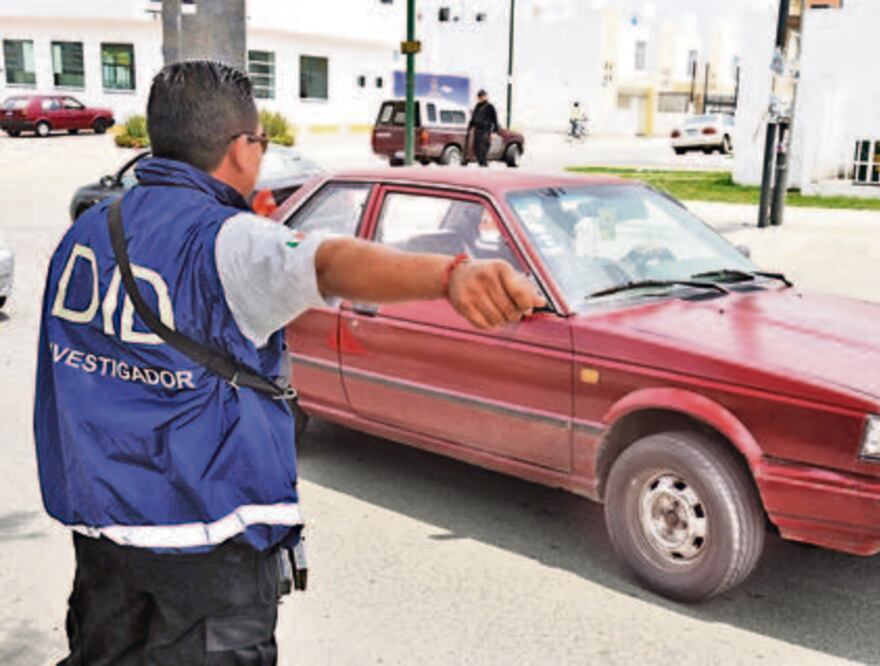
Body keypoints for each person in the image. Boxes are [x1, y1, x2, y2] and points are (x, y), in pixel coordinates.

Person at [34, 60, 543, 665]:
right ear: (242, 148)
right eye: (261, 141)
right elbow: (323, 262)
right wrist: (450, 275)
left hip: (103, 536)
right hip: (207, 543)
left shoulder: (87, 231)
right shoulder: (225, 239)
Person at [468, 89, 499, 167]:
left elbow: (495, 120)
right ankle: (481, 164)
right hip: (477, 130)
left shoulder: (489, 107)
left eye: (483, 96)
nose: (481, 98)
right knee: (476, 148)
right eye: (479, 97)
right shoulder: (477, 106)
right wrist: (470, 126)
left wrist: (494, 132)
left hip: (485, 130)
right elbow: (473, 118)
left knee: (483, 148)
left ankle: (484, 164)